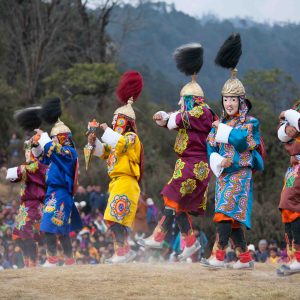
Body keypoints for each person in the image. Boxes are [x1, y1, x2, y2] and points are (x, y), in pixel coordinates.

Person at [139, 43, 214, 261]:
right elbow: (176, 120)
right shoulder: (196, 112)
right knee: (177, 205)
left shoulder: (202, 112)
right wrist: (164, 118)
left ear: (191, 100)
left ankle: (158, 236)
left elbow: (179, 119)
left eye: (183, 101)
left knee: (172, 198)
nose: (181, 104)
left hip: (195, 165)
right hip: (188, 164)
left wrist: (166, 117)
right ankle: (190, 243)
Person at [204, 33, 264, 270]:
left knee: (223, 213)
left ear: (242, 101)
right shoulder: (219, 123)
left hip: (240, 174)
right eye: (226, 99)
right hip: (223, 174)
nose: (229, 103)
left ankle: (217, 256)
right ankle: (245, 259)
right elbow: (210, 145)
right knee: (231, 220)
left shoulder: (251, 122)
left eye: (233, 99)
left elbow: (242, 142)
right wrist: (217, 159)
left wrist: (223, 130)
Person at [87, 71, 144, 263]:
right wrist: (93, 142)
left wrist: (106, 131)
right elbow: (105, 152)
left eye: (117, 121)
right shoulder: (117, 138)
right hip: (117, 183)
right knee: (114, 219)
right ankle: (123, 251)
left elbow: (120, 144)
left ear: (126, 123)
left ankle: (123, 252)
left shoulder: (131, 138)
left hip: (126, 182)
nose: (114, 124)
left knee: (112, 218)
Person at [35, 116, 82, 267]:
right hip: (53, 192)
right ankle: (70, 260)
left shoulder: (69, 152)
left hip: (61, 193)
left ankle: (52, 260)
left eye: (55, 137)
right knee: (62, 230)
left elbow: (53, 149)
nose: (53, 140)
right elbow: (42, 161)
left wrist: (43, 136)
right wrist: (36, 146)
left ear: (62, 138)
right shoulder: (57, 154)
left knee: (48, 224)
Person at [5, 138, 47, 267]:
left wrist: (11, 171)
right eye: (26, 151)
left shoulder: (38, 166)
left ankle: (33, 262)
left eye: (29, 151)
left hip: (34, 204)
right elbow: (17, 176)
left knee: (27, 233)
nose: (27, 154)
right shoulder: (29, 166)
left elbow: (22, 171)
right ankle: (28, 261)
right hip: (25, 205)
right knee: (19, 234)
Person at [277, 101, 300, 273]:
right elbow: (283, 128)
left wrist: (287, 113)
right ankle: (294, 258)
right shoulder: (297, 105)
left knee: (291, 203)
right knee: (287, 205)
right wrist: (286, 129)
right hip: (295, 166)